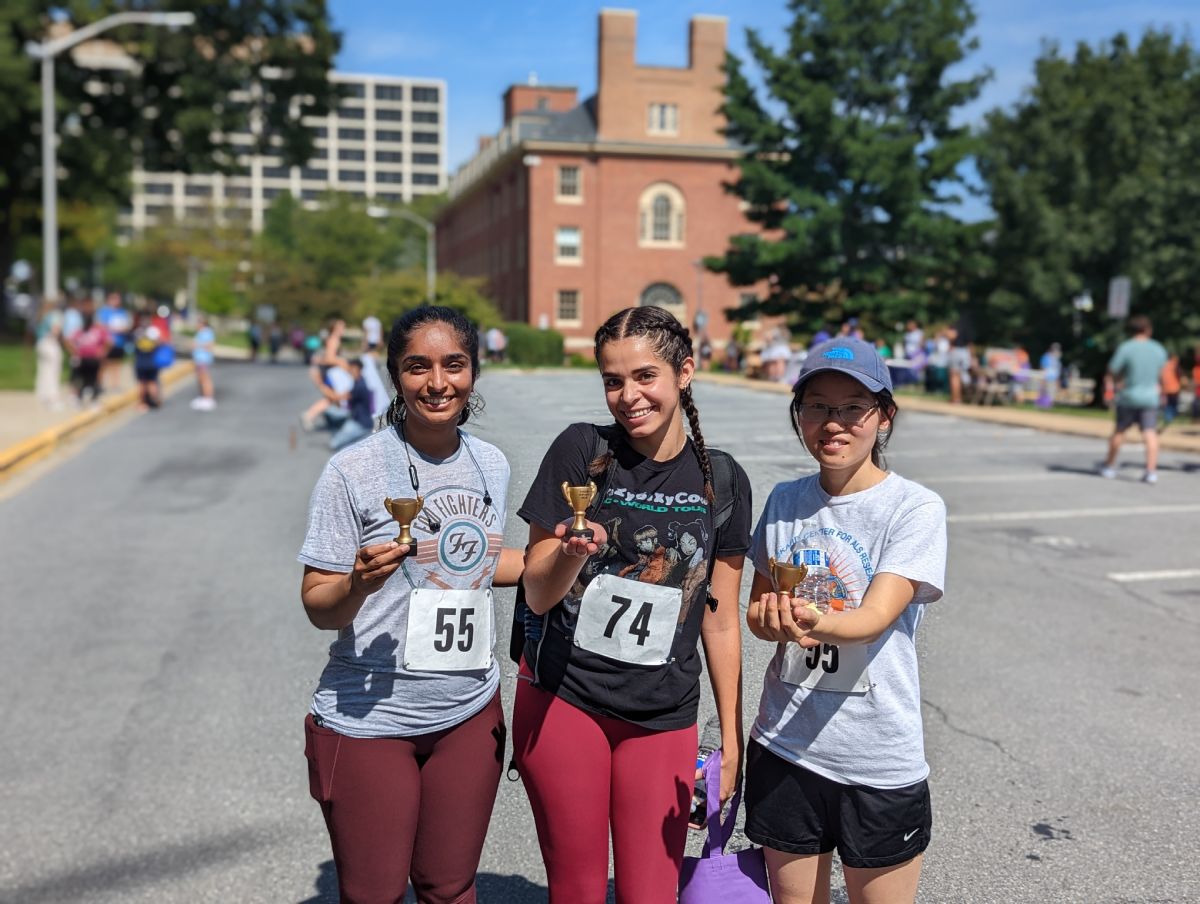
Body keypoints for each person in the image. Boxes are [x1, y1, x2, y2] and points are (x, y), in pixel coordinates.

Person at [514, 305, 753, 903]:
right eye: (613, 380)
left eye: (645, 376)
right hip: (566, 696)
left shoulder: (722, 481)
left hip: (661, 712)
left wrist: (730, 736)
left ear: (685, 373)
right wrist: (570, 553)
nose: (628, 395)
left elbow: (719, 620)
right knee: (579, 889)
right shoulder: (580, 451)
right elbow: (538, 593)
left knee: (651, 892)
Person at [298, 305, 523, 904]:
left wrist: (562, 557)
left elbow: (474, 561)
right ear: (395, 375)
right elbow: (319, 604)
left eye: (454, 365)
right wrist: (357, 584)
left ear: (475, 370)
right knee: (373, 894)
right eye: (417, 367)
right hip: (371, 716)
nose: (438, 383)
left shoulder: (490, 464)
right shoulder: (353, 470)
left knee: (450, 888)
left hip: (469, 709)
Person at [742, 336, 947, 904]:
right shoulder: (785, 500)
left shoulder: (913, 508)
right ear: (799, 415)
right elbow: (760, 614)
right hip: (785, 745)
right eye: (817, 407)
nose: (833, 424)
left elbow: (875, 617)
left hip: (877, 757)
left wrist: (807, 616)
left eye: (852, 407)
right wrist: (770, 619)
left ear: (883, 417)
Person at [1100, 315, 1168, 484]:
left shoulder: (1126, 348)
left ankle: (1109, 466)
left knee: (1120, 431)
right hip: (1150, 396)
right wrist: (1164, 392)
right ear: (1147, 330)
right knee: (1149, 433)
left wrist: (1114, 383)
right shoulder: (1158, 349)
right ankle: (1151, 471)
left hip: (1129, 396)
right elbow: (1164, 375)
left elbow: (1112, 370)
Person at [327, 358, 375, 451]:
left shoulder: (360, 386)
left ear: (359, 369)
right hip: (360, 421)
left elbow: (342, 397)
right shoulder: (359, 381)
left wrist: (320, 384)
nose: (351, 371)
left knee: (334, 444)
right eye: (350, 369)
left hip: (360, 424)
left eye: (353, 369)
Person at [67, 309, 111, 406]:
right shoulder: (79, 331)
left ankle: (94, 398)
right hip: (82, 359)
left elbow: (108, 342)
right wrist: (74, 352)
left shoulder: (97, 331)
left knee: (94, 379)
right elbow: (69, 341)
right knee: (81, 379)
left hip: (94, 359)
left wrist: (103, 351)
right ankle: (80, 398)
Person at [96, 292, 132, 392]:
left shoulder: (122, 312)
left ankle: (115, 385)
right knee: (104, 365)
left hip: (119, 342)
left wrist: (122, 329)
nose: (116, 301)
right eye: (114, 299)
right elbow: (99, 325)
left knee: (116, 364)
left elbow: (127, 326)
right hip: (107, 343)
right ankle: (99, 385)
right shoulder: (104, 312)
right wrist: (111, 328)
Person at [34, 301, 65, 410]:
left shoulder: (42, 316)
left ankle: (43, 395)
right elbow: (55, 330)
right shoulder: (54, 315)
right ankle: (53, 398)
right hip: (50, 343)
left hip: (41, 344)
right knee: (53, 371)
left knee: (44, 370)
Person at [132, 320, 163, 411]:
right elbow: (159, 345)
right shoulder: (153, 335)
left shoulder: (138, 334)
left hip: (140, 363)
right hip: (152, 363)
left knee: (142, 384)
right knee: (152, 382)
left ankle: (142, 403)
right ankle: (155, 401)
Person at [190, 317, 217, 411]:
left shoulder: (207, 332)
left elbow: (209, 345)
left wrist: (197, 345)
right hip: (199, 359)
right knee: (200, 379)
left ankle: (208, 398)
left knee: (205, 379)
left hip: (203, 359)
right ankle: (203, 397)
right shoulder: (200, 332)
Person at [1160, 353, 1182, 427]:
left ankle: (1168, 417)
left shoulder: (1163, 365)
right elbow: (1179, 375)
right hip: (1174, 388)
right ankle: (1171, 417)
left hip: (1165, 388)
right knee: (1173, 404)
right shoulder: (1174, 365)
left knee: (1168, 404)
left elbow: (1160, 377)